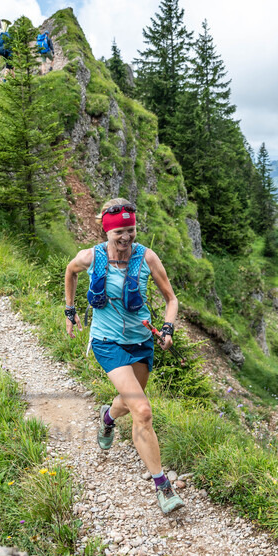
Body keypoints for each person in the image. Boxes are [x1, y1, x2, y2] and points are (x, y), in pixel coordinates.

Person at [63, 199, 184, 515]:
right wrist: (70, 309)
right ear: (107, 230)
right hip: (107, 342)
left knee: (130, 402)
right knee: (142, 410)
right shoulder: (91, 257)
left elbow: (171, 299)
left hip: (142, 342)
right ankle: (163, 487)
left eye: (131, 230)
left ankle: (107, 417)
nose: (127, 238)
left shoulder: (147, 257)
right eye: (120, 232)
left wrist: (168, 328)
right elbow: (70, 272)